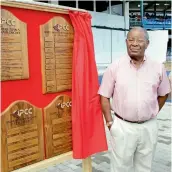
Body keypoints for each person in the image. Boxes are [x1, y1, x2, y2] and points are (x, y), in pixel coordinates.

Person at [98, 27, 171, 172]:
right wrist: (110, 123)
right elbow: (104, 96)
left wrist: (153, 111)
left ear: (147, 44)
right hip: (122, 127)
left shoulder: (157, 67)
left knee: (144, 167)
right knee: (120, 168)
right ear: (126, 42)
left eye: (139, 40)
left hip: (148, 127)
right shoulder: (115, 67)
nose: (134, 44)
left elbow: (164, 94)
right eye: (131, 40)